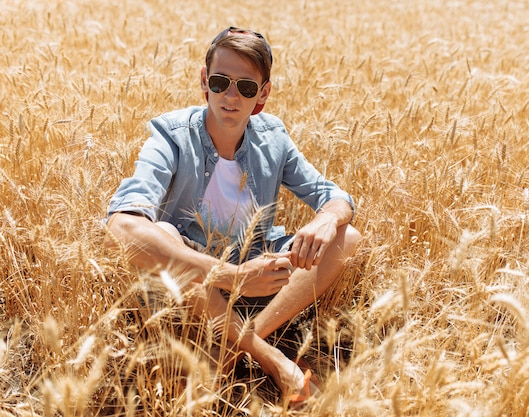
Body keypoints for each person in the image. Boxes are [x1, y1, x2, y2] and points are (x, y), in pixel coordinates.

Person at [104, 26, 362, 402]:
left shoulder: (273, 137)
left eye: (245, 86)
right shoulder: (171, 135)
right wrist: (233, 276)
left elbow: (336, 198)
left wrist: (324, 219)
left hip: (260, 274)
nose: (230, 95)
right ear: (205, 81)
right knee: (164, 234)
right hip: (196, 286)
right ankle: (268, 356)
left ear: (263, 93)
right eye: (222, 81)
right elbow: (121, 224)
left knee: (346, 236)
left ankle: (233, 345)